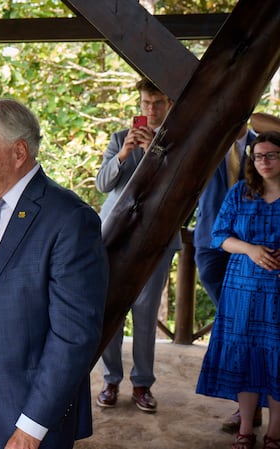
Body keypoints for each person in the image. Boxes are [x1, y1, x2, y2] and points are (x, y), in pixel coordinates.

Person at [0, 99, 108, 449]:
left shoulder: (69, 219)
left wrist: (32, 427)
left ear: (18, 152)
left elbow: (74, 336)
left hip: (25, 406)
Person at [94, 78, 179, 413]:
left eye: (157, 103)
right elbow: (103, 184)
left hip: (156, 238)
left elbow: (177, 186)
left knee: (145, 312)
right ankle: (111, 380)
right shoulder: (119, 138)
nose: (151, 109)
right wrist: (125, 153)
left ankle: (142, 384)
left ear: (169, 104)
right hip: (115, 235)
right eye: (145, 103)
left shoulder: (177, 139)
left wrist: (153, 151)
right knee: (109, 307)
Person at [196, 131, 280, 449]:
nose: (263, 161)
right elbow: (219, 235)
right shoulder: (241, 192)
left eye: (271, 155)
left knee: (277, 357)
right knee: (244, 357)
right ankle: (245, 427)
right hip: (241, 289)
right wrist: (250, 249)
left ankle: (275, 432)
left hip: (277, 292)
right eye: (258, 156)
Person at [193, 123, 260, 432]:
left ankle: (247, 409)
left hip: (251, 243)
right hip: (210, 237)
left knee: (246, 332)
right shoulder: (208, 142)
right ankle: (250, 404)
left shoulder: (264, 147)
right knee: (237, 324)